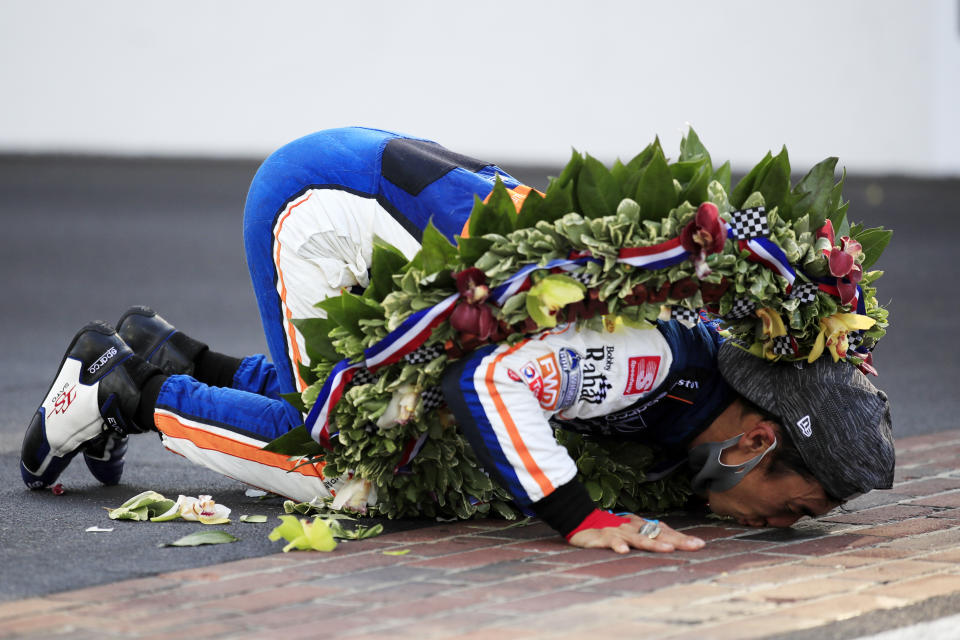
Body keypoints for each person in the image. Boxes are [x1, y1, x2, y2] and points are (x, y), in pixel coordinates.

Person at [19, 127, 895, 554]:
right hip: (330, 205)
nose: (785, 527)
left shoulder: (694, 384)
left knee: (388, 409)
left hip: (370, 194)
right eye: (799, 507)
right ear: (755, 438)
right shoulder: (651, 360)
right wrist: (576, 516)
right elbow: (487, 381)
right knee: (350, 469)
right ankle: (121, 387)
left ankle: (175, 356)